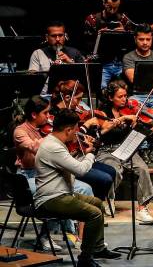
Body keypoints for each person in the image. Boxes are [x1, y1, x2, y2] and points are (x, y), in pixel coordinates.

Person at [34, 108, 121, 267]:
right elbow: (80, 170)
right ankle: (85, 259)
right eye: (75, 129)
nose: (77, 133)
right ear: (68, 130)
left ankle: (98, 247)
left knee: (97, 203)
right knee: (94, 214)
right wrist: (91, 153)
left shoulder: (55, 142)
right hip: (52, 199)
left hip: (61, 194)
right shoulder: (54, 147)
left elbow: (65, 163)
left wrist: (85, 151)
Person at [13, 96, 94, 250]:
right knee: (54, 193)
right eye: (46, 113)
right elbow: (35, 148)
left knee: (86, 188)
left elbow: (59, 157)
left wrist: (81, 149)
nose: (49, 117)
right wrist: (55, 134)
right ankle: (45, 236)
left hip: (49, 174)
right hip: (28, 176)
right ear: (34, 115)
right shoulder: (20, 131)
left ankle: (82, 238)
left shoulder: (46, 131)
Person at [94, 79, 153, 222]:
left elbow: (139, 137)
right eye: (120, 96)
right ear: (110, 97)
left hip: (126, 148)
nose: (124, 99)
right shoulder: (102, 113)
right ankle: (109, 201)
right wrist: (124, 118)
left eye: (125, 95)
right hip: (107, 151)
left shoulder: (131, 110)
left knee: (143, 169)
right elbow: (101, 132)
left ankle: (142, 208)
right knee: (115, 170)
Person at [49, 80, 117, 202]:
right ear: (67, 97)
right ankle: (94, 204)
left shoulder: (72, 112)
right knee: (105, 178)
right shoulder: (56, 116)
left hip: (79, 155)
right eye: (79, 99)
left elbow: (77, 136)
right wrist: (86, 125)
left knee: (112, 171)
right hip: (69, 160)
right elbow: (70, 136)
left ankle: (98, 203)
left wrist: (88, 139)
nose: (81, 104)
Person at [83, 0, 133, 88]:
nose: (112, 11)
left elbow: (132, 44)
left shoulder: (124, 20)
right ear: (103, 3)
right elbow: (86, 45)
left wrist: (125, 33)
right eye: (109, 7)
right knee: (101, 89)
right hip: (101, 63)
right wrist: (98, 36)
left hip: (119, 62)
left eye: (116, 7)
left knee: (124, 90)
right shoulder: (92, 20)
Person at [28, 21, 85, 95]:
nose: (57, 39)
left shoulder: (75, 52)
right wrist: (53, 70)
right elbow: (32, 80)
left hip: (71, 97)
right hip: (46, 96)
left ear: (65, 36)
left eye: (60, 35)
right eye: (53, 36)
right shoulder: (38, 53)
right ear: (47, 37)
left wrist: (70, 63)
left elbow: (84, 77)